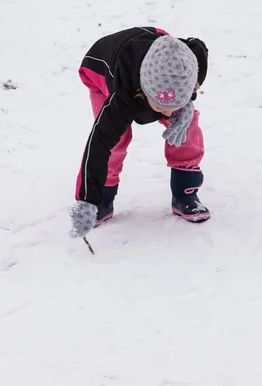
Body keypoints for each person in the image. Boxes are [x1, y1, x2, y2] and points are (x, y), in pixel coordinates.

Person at [69, 26, 210, 239]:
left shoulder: (190, 62)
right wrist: (87, 200)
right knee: (117, 138)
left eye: (175, 103)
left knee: (186, 126)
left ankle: (185, 192)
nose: (169, 112)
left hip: (156, 58)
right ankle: (103, 199)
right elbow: (98, 145)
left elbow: (180, 93)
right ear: (144, 92)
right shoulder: (122, 96)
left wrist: (187, 104)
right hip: (102, 72)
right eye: (162, 106)